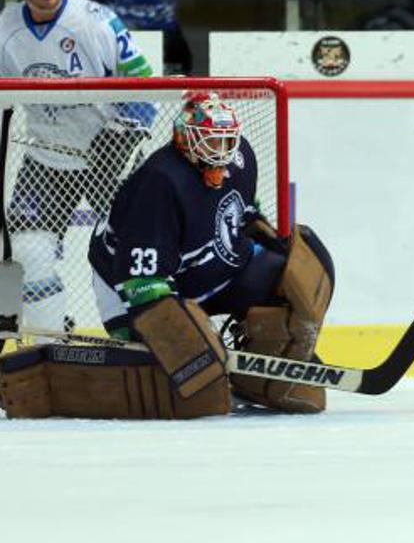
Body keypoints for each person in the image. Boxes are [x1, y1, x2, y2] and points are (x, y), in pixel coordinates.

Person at [75, 92, 335, 418]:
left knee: (295, 274)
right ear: (185, 138)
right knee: (175, 372)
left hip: (204, 267)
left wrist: (267, 239)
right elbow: (140, 281)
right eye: (211, 140)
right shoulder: (160, 182)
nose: (221, 150)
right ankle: (162, 354)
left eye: (227, 140)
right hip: (127, 283)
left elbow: (245, 212)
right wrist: (180, 337)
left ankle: (266, 367)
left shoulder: (240, 156)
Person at [0, 0, 153, 335]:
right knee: (29, 249)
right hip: (46, 159)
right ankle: (49, 339)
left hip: (109, 157)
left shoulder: (95, 21)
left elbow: (143, 84)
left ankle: (136, 335)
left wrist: (126, 133)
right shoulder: (4, 29)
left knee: (129, 250)